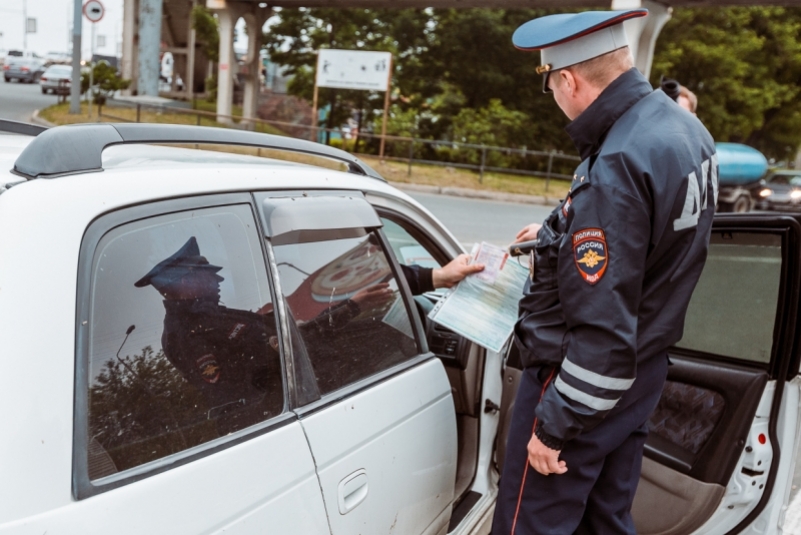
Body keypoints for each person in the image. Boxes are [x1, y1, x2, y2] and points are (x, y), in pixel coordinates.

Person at [494, 9, 717, 534]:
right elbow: (648, 244)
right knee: (607, 519)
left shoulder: (614, 167)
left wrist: (554, 426)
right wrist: (559, 233)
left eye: (548, 84)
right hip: (640, 374)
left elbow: (602, 326)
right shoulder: (682, 128)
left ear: (567, 80)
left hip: (580, 383)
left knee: (532, 523)